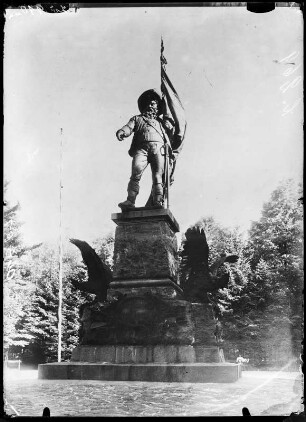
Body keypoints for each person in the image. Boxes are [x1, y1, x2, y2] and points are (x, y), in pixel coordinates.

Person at [116, 89, 175, 211]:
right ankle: (130, 200)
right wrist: (122, 131)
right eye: (148, 103)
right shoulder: (137, 119)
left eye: (153, 103)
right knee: (135, 174)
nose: (150, 105)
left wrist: (169, 122)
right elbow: (128, 127)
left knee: (158, 176)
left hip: (159, 149)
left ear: (158, 106)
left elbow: (172, 132)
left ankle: (158, 201)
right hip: (141, 149)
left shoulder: (161, 122)